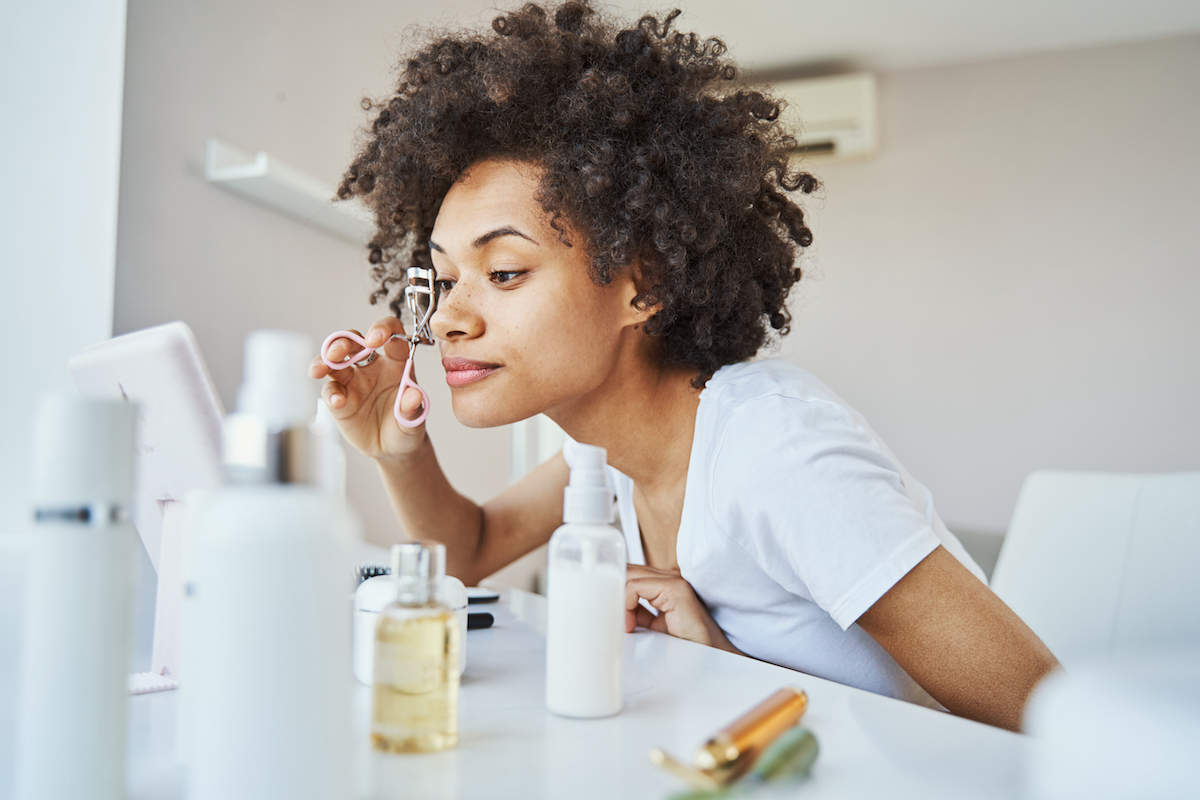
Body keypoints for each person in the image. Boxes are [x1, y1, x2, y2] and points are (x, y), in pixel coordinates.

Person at [310, 0, 1059, 732]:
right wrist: (396, 450)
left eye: (504, 272)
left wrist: (725, 665)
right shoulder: (606, 453)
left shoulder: (771, 450)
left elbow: (1056, 720)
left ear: (647, 286)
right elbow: (469, 555)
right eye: (441, 281)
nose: (446, 319)